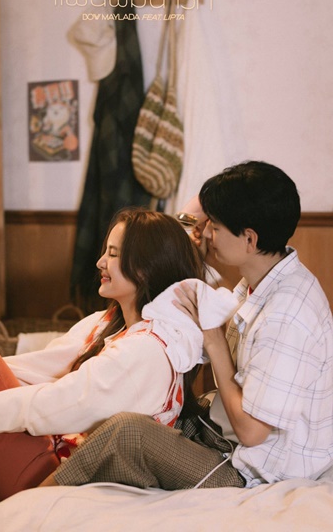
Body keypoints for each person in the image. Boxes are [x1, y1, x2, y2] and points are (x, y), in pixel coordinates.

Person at [35, 160, 333, 491]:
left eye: (215, 227)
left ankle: (32, 498)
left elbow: (252, 433)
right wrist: (192, 221)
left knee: (128, 431)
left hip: (252, 470)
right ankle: (33, 477)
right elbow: (179, 258)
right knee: (145, 406)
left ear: (249, 239)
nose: (206, 234)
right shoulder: (263, 278)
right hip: (221, 431)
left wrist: (215, 342)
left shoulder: (286, 316)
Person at [0, 207, 237, 510]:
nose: (100, 262)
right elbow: (41, 371)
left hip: (59, 483)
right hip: (49, 452)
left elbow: (50, 405)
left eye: (113, 254)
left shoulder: (146, 350)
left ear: (146, 268)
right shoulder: (112, 322)